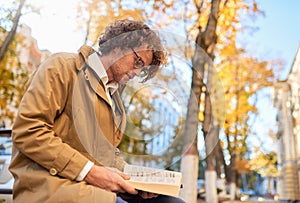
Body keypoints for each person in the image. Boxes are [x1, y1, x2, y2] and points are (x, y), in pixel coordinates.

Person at [9, 19, 185, 203]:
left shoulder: (114, 97)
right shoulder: (62, 67)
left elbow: (107, 158)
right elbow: (28, 131)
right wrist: (90, 172)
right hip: (50, 185)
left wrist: (138, 183)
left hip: (93, 188)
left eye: (142, 70)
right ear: (118, 45)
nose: (136, 72)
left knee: (172, 202)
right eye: (137, 61)